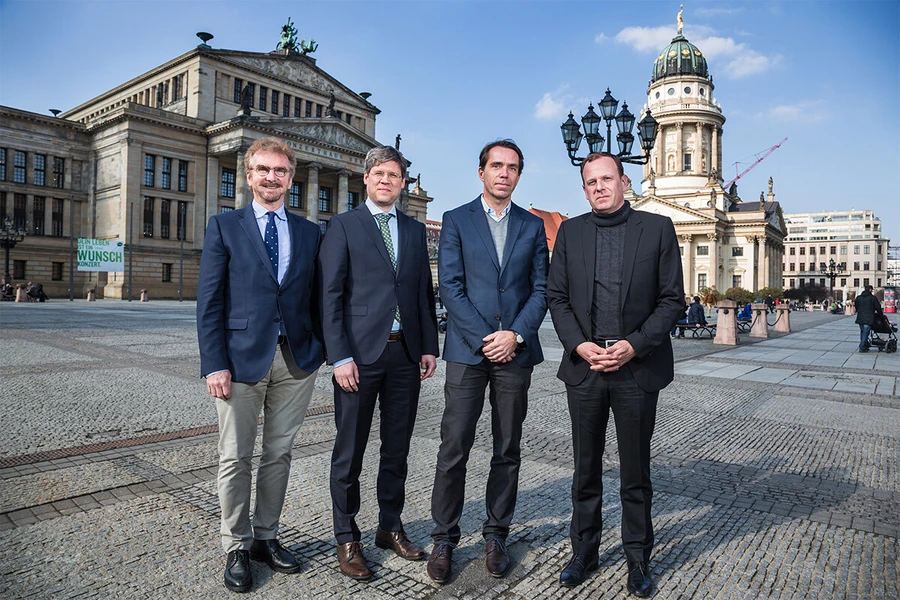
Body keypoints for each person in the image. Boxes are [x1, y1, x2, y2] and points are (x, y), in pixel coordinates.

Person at [547, 152, 684, 597]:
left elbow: (672, 299)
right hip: (586, 366)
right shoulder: (570, 232)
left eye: (607, 179)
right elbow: (556, 297)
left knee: (635, 472)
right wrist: (578, 344)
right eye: (591, 182)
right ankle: (584, 553)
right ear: (584, 189)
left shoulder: (658, 228)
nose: (599, 187)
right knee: (585, 469)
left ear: (624, 182)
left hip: (636, 367)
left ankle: (638, 558)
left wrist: (634, 345)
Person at [196, 137, 324, 594]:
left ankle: (266, 537)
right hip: (238, 360)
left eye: (281, 171)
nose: (273, 177)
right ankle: (236, 545)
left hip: (295, 361)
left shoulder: (310, 232)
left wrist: (319, 349)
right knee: (235, 456)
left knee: (279, 453)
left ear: (291, 178)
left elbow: (319, 296)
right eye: (264, 170)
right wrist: (214, 363)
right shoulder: (224, 225)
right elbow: (210, 300)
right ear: (249, 175)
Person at [426, 139, 549, 584]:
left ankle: (497, 534)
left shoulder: (532, 226)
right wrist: (486, 339)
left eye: (512, 167)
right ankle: (444, 538)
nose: (504, 173)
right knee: (453, 446)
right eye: (497, 165)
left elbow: (541, 289)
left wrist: (514, 335)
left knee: (507, 448)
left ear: (518, 175)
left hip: (515, 351)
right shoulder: (457, 220)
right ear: (481, 172)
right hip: (467, 351)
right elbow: (450, 287)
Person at [318, 146, 439, 580]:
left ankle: (390, 526)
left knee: (397, 448)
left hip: (404, 353)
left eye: (394, 175)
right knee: (349, 451)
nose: (386, 180)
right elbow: (329, 295)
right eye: (379, 173)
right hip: (358, 357)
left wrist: (428, 346)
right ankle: (346, 536)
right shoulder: (342, 226)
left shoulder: (413, 228)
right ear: (366, 178)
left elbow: (422, 292)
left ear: (403, 183)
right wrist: (340, 356)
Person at [853, 285, 882, 353]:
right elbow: (878, 307)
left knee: (863, 332)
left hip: (860, 317)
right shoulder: (872, 298)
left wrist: (859, 311)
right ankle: (862, 347)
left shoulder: (858, 298)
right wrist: (881, 315)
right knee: (865, 333)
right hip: (869, 318)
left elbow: (856, 306)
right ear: (870, 290)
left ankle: (864, 345)